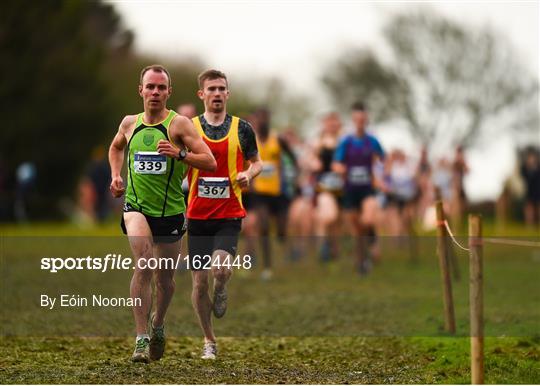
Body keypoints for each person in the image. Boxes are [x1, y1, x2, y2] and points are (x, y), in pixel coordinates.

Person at [108, 64, 216, 363]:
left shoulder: (179, 125)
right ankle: (141, 338)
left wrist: (179, 154)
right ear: (140, 90)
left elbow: (209, 162)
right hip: (136, 207)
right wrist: (116, 176)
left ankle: (157, 325)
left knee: (165, 280)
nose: (155, 92)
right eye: (150, 86)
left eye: (161, 87)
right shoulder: (130, 123)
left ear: (169, 91)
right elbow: (116, 148)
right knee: (143, 263)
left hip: (170, 212)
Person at [187, 69, 262, 359]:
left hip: (229, 212)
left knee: (220, 270)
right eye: (212, 89)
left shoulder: (242, 128)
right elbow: (178, 161)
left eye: (221, 89)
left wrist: (248, 174)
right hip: (197, 214)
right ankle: (209, 339)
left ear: (227, 94)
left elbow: (258, 162)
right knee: (198, 282)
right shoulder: (189, 127)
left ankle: (222, 288)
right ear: (201, 94)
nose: (217, 94)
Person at [244, 108, 297, 280]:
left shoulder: (279, 139)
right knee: (264, 226)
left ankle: (282, 237)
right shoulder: (251, 141)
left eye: (266, 118)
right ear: (256, 121)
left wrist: (293, 177)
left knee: (281, 229)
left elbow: (293, 159)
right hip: (260, 193)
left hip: (278, 192)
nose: (263, 122)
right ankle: (267, 267)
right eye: (260, 119)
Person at [332, 101, 385, 275]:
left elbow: (384, 159)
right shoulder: (346, 141)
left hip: (367, 189)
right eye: (357, 119)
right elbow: (336, 164)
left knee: (368, 220)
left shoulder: (372, 141)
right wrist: (341, 169)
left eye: (363, 119)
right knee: (356, 229)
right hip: (350, 190)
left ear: (366, 119)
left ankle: (372, 238)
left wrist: (381, 176)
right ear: (353, 120)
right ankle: (362, 262)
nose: (360, 122)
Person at [520, 146, 540, 228]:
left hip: (538, 189)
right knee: (529, 206)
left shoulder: (538, 166)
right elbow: (523, 176)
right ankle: (529, 224)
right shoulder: (524, 167)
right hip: (529, 190)